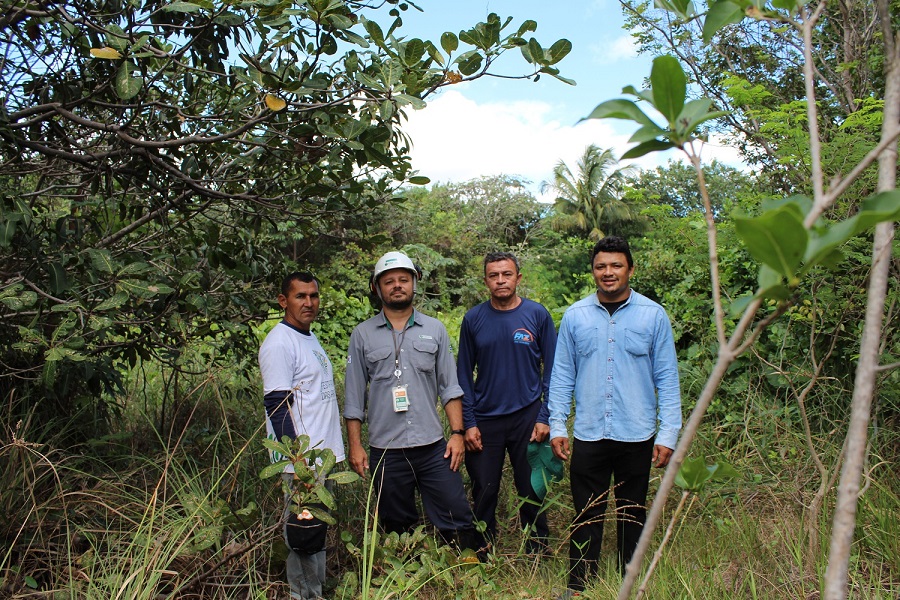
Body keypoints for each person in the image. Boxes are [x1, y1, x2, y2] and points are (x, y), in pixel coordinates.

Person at [548, 236, 682, 595]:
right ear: (593, 271)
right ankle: (578, 586)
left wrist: (668, 435)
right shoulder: (575, 316)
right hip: (590, 433)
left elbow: (667, 378)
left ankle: (629, 582)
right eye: (601, 266)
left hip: (636, 434)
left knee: (632, 513)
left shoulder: (653, 316)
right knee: (585, 513)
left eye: (616, 265)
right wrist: (558, 425)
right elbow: (562, 375)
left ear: (630, 269)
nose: (608, 273)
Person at [344, 251, 477, 549]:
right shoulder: (362, 334)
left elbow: (450, 387)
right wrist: (355, 445)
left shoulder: (435, 330)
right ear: (377, 288)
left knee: (456, 511)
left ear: (414, 283)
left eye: (403, 279)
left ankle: (466, 567)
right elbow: (354, 398)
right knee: (396, 524)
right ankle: (406, 575)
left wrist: (456, 434)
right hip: (385, 450)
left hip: (432, 448)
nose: (397, 286)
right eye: (388, 281)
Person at [456, 251, 557, 556]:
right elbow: (463, 373)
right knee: (484, 489)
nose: (500, 280)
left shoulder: (537, 315)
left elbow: (554, 370)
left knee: (532, 488)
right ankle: (484, 551)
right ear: (485, 280)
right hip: (486, 419)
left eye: (507, 274)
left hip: (528, 416)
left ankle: (538, 550)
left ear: (518, 277)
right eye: (493, 275)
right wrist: (468, 423)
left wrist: (545, 415)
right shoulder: (473, 319)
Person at [258, 271, 345, 600]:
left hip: (321, 459)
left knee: (316, 532)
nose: (309, 302)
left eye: (313, 295)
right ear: (283, 301)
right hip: (302, 465)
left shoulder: (307, 336)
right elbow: (277, 407)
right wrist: (299, 466)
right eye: (300, 296)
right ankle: (304, 596)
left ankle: (315, 592)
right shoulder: (280, 343)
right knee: (304, 535)